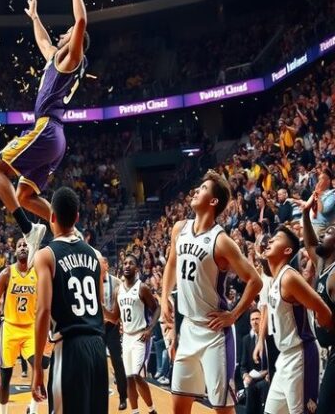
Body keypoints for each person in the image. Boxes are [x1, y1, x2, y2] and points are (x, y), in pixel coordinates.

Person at [0, 0, 88, 265]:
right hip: (55, 136)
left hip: (46, 130)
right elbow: (45, 42)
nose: (65, 31)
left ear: (76, 42)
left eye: (69, 32)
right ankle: (72, 231)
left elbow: (82, 22)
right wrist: (34, 18)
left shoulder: (71, 59)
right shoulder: (56, 59)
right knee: (24, 197)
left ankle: (29, 229)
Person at [160, 170, 263, 414]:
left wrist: (234, 315)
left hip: (215, 332)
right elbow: (172, 263)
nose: (196, 190)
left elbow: (255, 281)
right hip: (188, 328)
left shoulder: (222, 241)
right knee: (179, 407)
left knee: (222, 409)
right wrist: (164, 296)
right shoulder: (179, 228)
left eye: (203, 188)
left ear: (213, 202)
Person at [31, 187, 106, 413]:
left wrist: (37, 368)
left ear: (51, 216)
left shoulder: (45, 255)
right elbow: (100, 305)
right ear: (77, 218)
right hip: (98, 348)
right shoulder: (96, 255)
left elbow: (43, 311)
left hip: (70, 348)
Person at [262, 227, 332, 413]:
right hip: (285, 357)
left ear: (287, 251)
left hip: (301, 355)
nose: (269, 241)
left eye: (275, 239)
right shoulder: (275, 280)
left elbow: (322, 308)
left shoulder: (289, 277)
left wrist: (328, 333)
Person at [0, 237, 45, 414]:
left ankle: (33, 409)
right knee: (5, 378)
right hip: (10, 329)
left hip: (30, 329)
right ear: (15, 251)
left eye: (26, 245)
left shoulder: (37, 273)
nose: (22, 247)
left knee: (39, 368)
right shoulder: (7, 273)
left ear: (31, 250)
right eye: (19, 245)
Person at [110, 255, 160, 414]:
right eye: (125, 263)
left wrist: (150, 329)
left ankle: (152, 410)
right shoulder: (118, 291)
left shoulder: (142, 288)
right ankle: (135, 411)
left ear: (137, 268)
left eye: (131, 263)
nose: (127, 265)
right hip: (126, 337)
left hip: (140, 336)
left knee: (136, 375)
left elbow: (156, 309)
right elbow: (114, 316)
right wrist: (101, 308)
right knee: (128, 377)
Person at [299, 191, 335, 410]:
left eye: (330, 232)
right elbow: (310, 242)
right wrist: (305, 214)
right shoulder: (323, 265)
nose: (323, 234)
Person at [100, 257, 127, 410]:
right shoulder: (93, 280)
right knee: (99, 362)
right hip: (98, 328)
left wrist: (120, 320)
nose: (99, 266)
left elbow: (123, 302)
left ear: (107, 265)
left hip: (113, 327)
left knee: (117, 361)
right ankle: (98, 395)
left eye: (101, 263)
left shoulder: (117, 282)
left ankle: (123, 396)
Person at [239, 309, 268, 414]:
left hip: (267, 377)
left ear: (262, 320)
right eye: (252, 319)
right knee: (250, 386)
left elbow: (276, 362)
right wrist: (245, 375)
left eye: (257, 319)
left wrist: (269, 373)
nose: (254, 322)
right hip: (253, 378)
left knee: (263, 385)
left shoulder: (270, 339)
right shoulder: (246, 340)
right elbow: (242, 366)